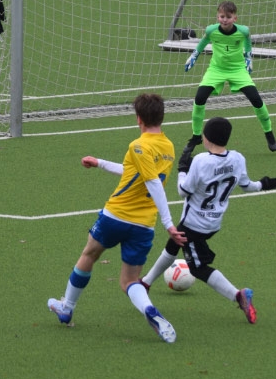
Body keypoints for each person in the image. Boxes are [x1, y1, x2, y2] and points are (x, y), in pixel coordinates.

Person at [47, 93, 188, 343]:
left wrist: (169, 224)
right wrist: (100, 163)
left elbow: (153, 182)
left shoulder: (138, 145)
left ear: (138, 118)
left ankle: (67, 307)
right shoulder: (168, 146)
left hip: (116, 215)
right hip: (143, 225)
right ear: (161, 117)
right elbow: (135, 172)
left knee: (89, 255)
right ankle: (149, 310)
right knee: (129, 281)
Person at [141, 116, 276, 324]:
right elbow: (247, 186)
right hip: (214, 222)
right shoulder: (237, 158)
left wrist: (182, 170)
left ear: (206, 138)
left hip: (195, 224)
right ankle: (146, 283)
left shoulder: (201, 161)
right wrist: (263, 184)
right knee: (174, 242)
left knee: (197, 268)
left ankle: (238, 296)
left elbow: (183, 191)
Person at [182, 0, 276, 157]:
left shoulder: (243, 31)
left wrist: (248, 57)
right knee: (199, 98)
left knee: (256, 99)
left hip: (237, 70)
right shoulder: (211, 30)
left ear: (235, 18)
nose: (224, 20)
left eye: (228, 17)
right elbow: (203, 41)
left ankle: (269, 132)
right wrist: (194, 56)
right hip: (216, 70)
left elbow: (247, 41)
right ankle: (196, 136)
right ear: (217, 17)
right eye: (221, 16)